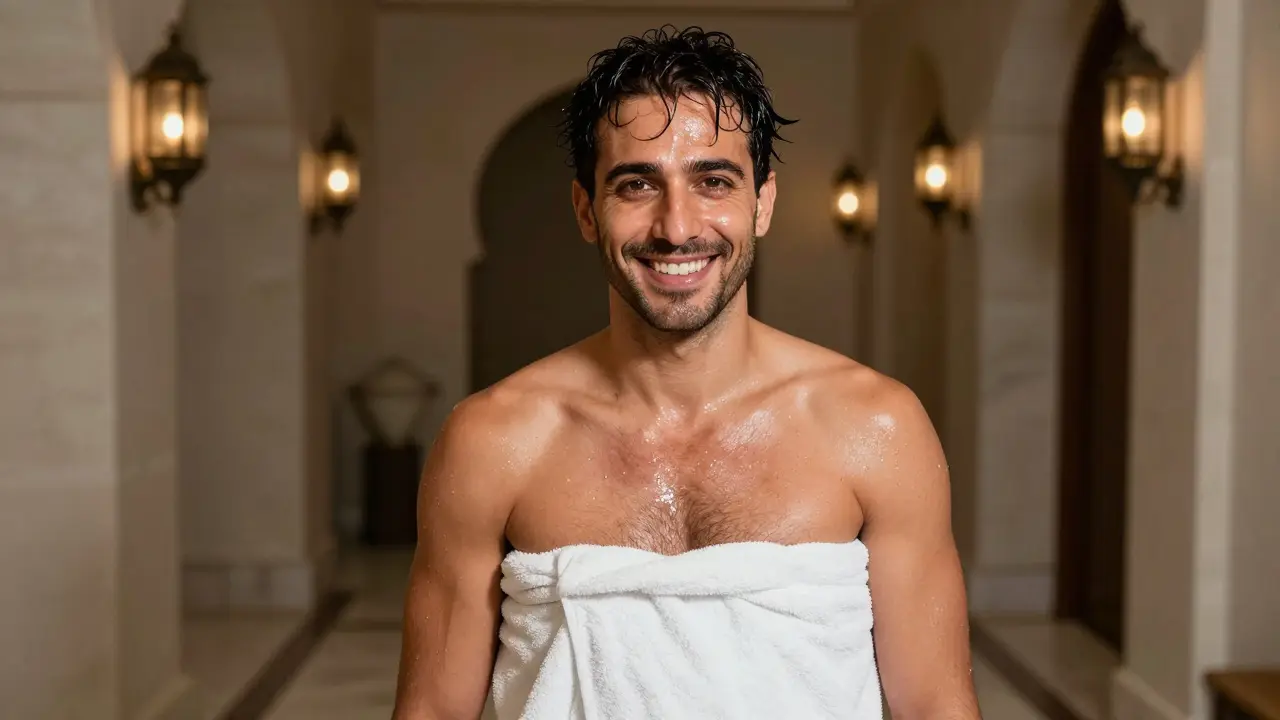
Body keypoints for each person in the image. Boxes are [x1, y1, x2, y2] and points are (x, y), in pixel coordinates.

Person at [392, 25, 980, 720]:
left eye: (713, 181)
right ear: (587, 210)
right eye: (637, 184)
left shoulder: (875, 429)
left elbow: (936, 706)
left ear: (762, 203)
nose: (676, 226)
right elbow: (431, 709)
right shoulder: (493, 441)